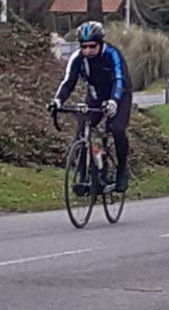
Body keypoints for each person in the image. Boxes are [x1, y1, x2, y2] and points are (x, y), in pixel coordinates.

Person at [48, 21, 133, 192]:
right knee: (81, 132)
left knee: (117, 129)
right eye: (84, 46)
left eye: (92, 46)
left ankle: (122, 170)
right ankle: (83, 177)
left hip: (120, 94)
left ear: (100, 43)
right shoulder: (78, 58)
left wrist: (114, 101)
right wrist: (58, 101)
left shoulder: (112, 54)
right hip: (95, 96)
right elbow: (68, 82)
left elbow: (119, 79)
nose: (87, 50)